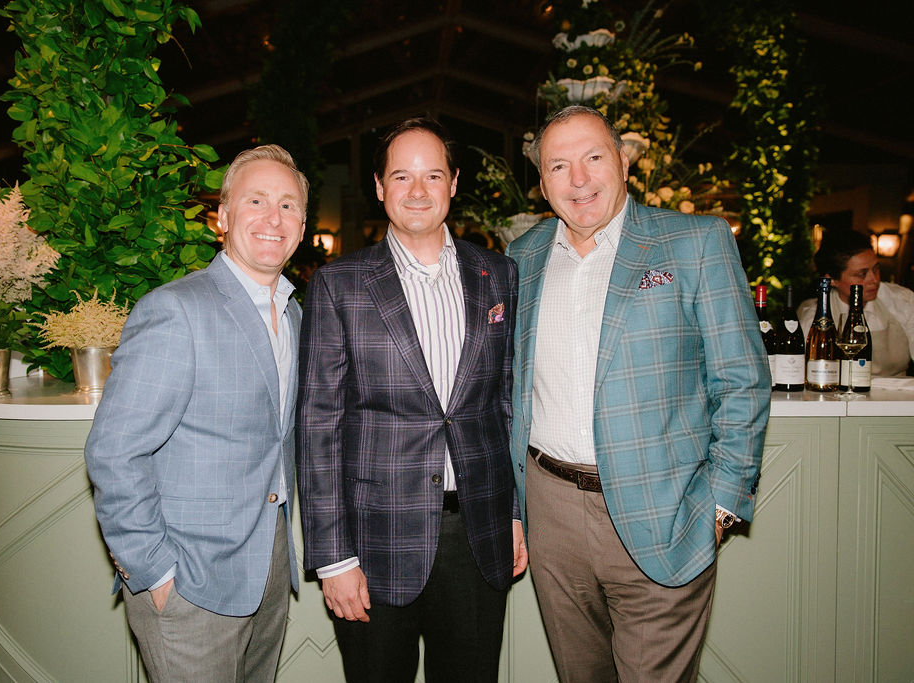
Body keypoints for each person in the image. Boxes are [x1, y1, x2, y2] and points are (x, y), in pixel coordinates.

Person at [507, 105, 770, 683]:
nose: (579, 180)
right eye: (559, 166)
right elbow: (509, 392)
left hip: (668, 510)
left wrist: (722, 503)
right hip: (551, 515)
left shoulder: (694, 243)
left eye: (594, 158)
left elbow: (742, 379)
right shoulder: (520, 260)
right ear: (542, 180)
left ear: (623, 161)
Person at [296, 117, 526, 683]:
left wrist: (516, 512)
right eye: (402, 176)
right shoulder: (340, 283)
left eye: (432, 175)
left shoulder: (498, 274)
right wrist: (334, 557)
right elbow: (318, 426)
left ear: (453, 183)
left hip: (478, 534)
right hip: (375, 538)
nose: (417, 191)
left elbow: (506, 404)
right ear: (379, 187)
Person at [84, 144, 308, 682]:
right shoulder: (176, 310)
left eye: (288, 205)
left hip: (268, 569)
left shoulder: (294, 312)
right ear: (223, 218)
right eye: (256, 200)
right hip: (189, 584)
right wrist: (154, 568)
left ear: (301, 224)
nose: (273, 218)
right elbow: (114, 452)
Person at [798, 228, 914, 376]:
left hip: (897, 396)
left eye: (876, 269)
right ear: (832, 280)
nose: (874, 280)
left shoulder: (901, 300)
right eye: (862, 274)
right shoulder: (813, 315)